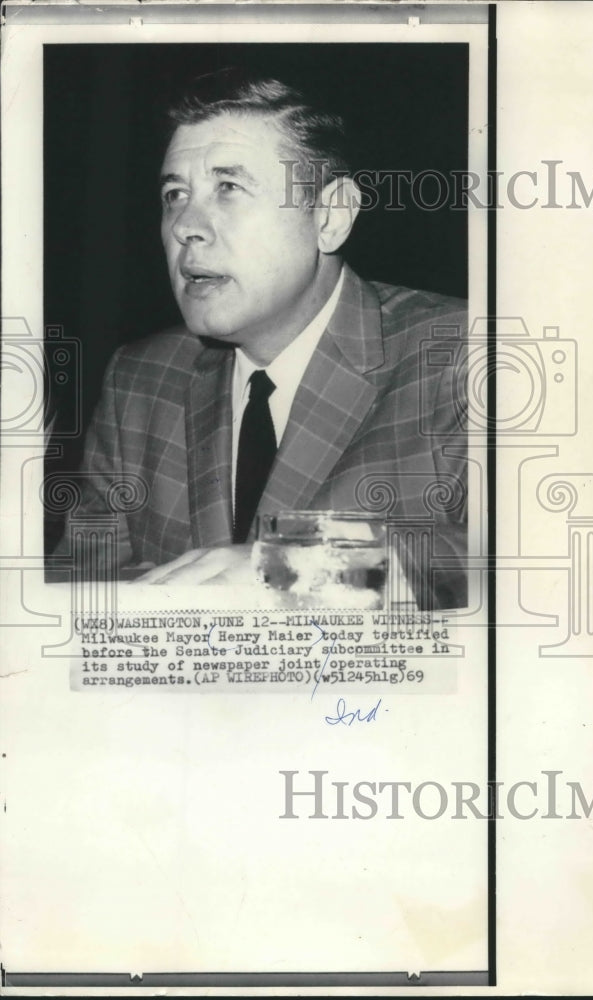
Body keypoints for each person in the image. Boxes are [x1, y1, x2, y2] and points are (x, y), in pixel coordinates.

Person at [55, 69, 469, 609]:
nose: (186, 226)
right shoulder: (140, 378)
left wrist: (289, 570)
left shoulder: (459, 355)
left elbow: (518, 559)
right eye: (175, 194)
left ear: (331, 215)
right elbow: (73, 594)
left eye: (229, 188)